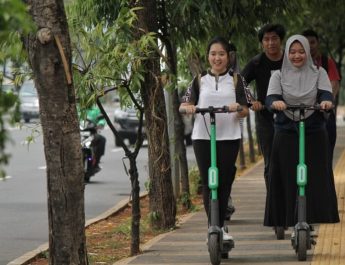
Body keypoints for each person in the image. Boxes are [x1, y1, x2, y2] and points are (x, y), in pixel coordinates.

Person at [264, 34, 339, 229]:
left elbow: (325, 93)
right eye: (292, 51)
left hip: (313, 127)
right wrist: (276, 102)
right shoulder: (278, 75)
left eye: (301, 51)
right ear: (287, 53)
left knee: (317, 174)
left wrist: (325, 101)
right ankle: (284, 219)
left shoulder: (318, 72)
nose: (297, 56)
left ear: (307, 52)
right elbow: (270, 98)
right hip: (286, 129)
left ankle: (312, 216)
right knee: (283, 174)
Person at [179, 36, 249, 240]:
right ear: (207, 56)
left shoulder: (237, 80)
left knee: (225, 181)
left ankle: (219, 226)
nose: (217, 58)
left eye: (221, 54)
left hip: (230, 136)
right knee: (210, 181)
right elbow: (183, 104)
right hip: (203, 137)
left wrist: (238, 108)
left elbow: (246, 109)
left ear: (228, 57)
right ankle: (215, 228)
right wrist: (188, 108)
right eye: (213, 54)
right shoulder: (199, 80)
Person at [241, 23, 286, 190]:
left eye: (274, 38)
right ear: (262, 43)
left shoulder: (290, 60)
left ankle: (292, 202)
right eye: (266, 39)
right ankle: (272, 203)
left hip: (291, 117)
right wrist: (251, 101)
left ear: (281, 40)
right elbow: (240, 82)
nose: (271, 43)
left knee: (291, 160)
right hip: (266, 119)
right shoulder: (257, 62)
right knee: (271, 162)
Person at [302, 29, 341, 168]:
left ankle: (327, 188)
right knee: (305, 156)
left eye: (312, 42)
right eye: (306, 43)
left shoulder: (326, 61)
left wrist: (326, 102)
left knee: (326, 156)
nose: (310, 46)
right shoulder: (297, 63)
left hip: (324, 115)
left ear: (317, 43)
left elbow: (334, 84)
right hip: (303, 115)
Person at [85, 105, 107, 171]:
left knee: (102, 140)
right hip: (78, 132)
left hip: (91, 133)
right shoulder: (76, 107)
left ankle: (96, 161)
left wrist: (100, 124)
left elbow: (102, 119)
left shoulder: (96, 110)